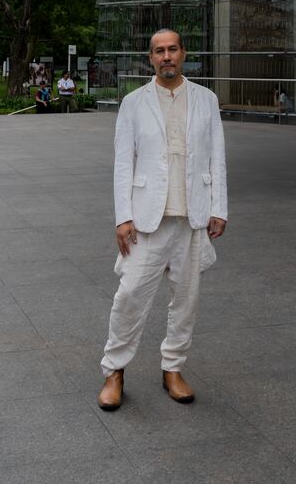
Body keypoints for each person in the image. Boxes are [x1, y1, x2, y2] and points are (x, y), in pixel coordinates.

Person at [97, 29, 227, 411]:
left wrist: (219, 207)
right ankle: (114, 370)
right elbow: (124, 163)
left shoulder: (206, 99)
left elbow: (216, 157)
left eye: (172, 49)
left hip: (193, 216)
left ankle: (173, 367)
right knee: (130, 295)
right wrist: (123, 217)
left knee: (186, 300)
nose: (166, 56)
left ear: (183, 53)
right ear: (150, 58)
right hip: (145, 220)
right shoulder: (134, 102)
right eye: (159, 51)